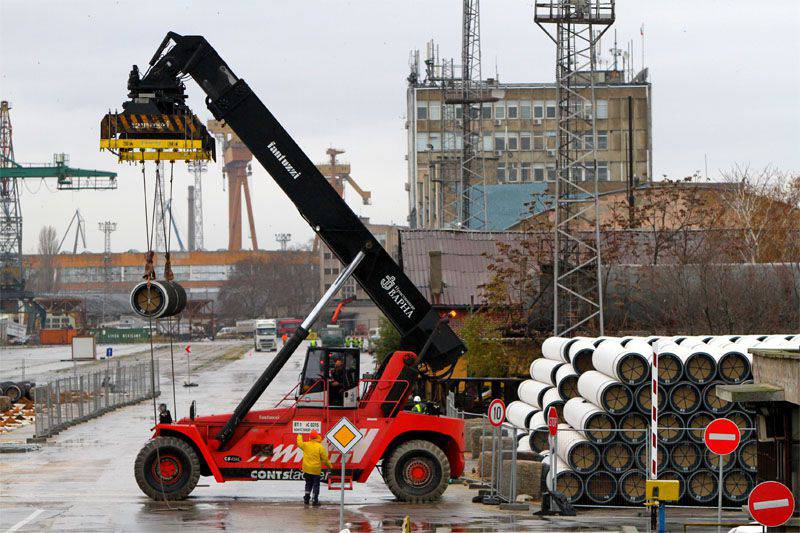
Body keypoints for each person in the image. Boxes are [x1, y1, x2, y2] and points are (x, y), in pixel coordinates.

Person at [296, 430, 331, 506]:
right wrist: (329, 466)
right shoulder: (320, 447)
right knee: (316, 485)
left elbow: (299, 443)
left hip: (307, 469)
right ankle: (315, 500)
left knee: (308, 484)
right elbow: (325, 459)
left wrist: (299, 435)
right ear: (317, 436)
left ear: (310, 437)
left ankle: (306, 498)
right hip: (316, 470)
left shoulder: (306, 445)